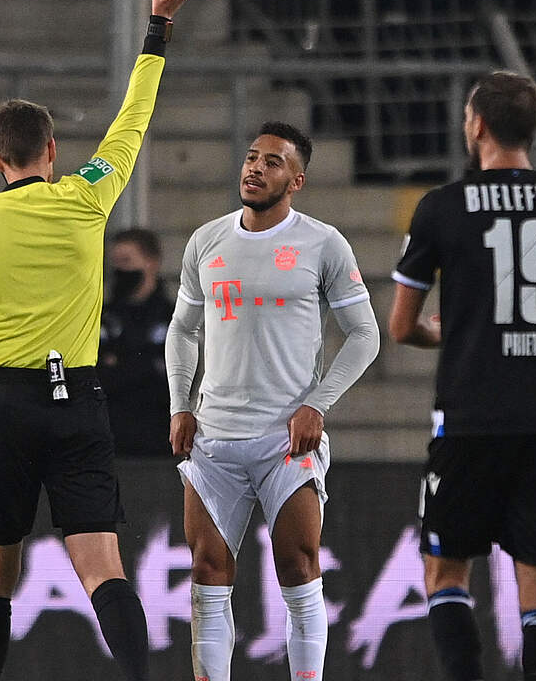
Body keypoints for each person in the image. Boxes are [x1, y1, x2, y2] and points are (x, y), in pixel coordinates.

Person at [0, 0, 187, 681]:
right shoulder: (85, 199)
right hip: (79, 402)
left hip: (3, 402)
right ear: (52, 151)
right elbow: (133, 121)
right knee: (102, 566)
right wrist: (156, 30)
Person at [387, 71, 536, 681]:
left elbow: (401, 327)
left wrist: (448, 330)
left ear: (477, 124)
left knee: (446, 572)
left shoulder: (442, 207)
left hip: (471, 417)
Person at [166, 121, 380, 681]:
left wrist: (318, 402)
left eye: (273, 162)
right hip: (214, 439)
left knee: (298, 567)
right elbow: (182, 330)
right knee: (208, 571)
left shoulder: (323, 243)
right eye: (252, 157)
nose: (256, 168)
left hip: (286, 438)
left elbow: (365, 334)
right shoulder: (206, 241)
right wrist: (179, 404)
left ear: (297, 180)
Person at [99, 228, 174, 457]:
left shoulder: (172, 316)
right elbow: (100, 375)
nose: (121, 270)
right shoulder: (104, 317)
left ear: (151, 262)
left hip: (160, 440)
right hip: (113, 439)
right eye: (116, 263)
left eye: (127, 261)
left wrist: (121, 361)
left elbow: (170, 378)